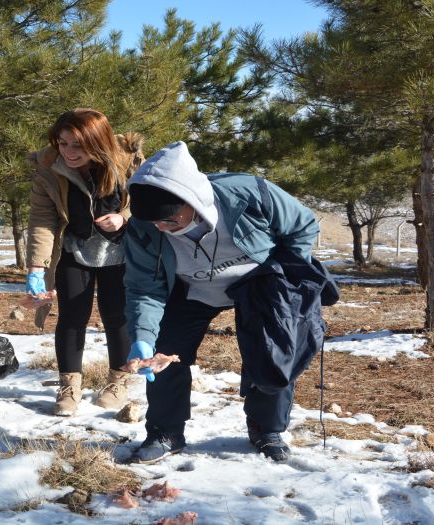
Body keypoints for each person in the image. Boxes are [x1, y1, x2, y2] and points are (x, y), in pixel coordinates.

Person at [123, 141, 336, 462]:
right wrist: (142, 337)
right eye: (155, 223)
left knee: (275, 348)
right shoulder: (144, 228)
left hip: (257, 281)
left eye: (169, 219)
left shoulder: (247, 194)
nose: (162, 229)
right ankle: (165, 432)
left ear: (191, 199)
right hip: (190, 289)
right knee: (163, 348)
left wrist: (285, 275)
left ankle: (267, 429)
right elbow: (144, 287)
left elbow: (302, 226)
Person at [25, 108, 144, 416]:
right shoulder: (49, 166)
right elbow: (42, 218)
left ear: (98, 141)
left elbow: (146, 200)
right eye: (63, 143)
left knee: (116, 316)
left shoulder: (127, 160)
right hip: (74, 248)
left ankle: (118, 381)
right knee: (72, 316)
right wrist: (37, 267)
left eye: (78, 144)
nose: (69, 151)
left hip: (120, 252)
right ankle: (68, 386)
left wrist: (123, 217)